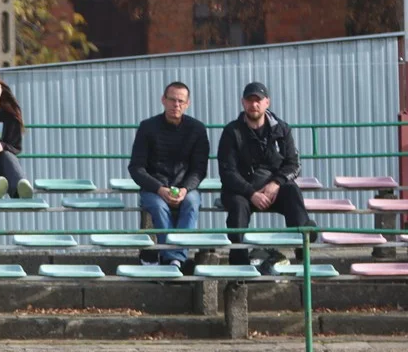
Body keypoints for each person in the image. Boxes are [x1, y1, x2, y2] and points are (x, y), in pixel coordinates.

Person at [218, 82, 316, 270]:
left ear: (267, 103)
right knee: (238, 206)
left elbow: (293, 164)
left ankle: (304, 243)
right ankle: (239, 265)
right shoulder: (232, 131)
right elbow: (227, 172)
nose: (254, 105)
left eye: (258, 100)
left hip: (274, 190)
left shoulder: (282, 129)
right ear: (242, 102)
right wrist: (252, 193)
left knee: (292, 190)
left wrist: (275, 184)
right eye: (249, 100)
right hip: (242, 190)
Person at [128, 82, 209, 271]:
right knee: (158, 205)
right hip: (154, 188)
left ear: (187, 103)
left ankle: (171, 259)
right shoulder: (147, 127)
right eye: (172, 100)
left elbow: (199, 169)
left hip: (185, 187)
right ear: (163, 100)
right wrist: (159, 189)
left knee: (191, 202)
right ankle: (176, 259)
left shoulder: (197, 129)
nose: (176, 105)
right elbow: (136, 167)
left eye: (181, 101)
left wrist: (184, 189)